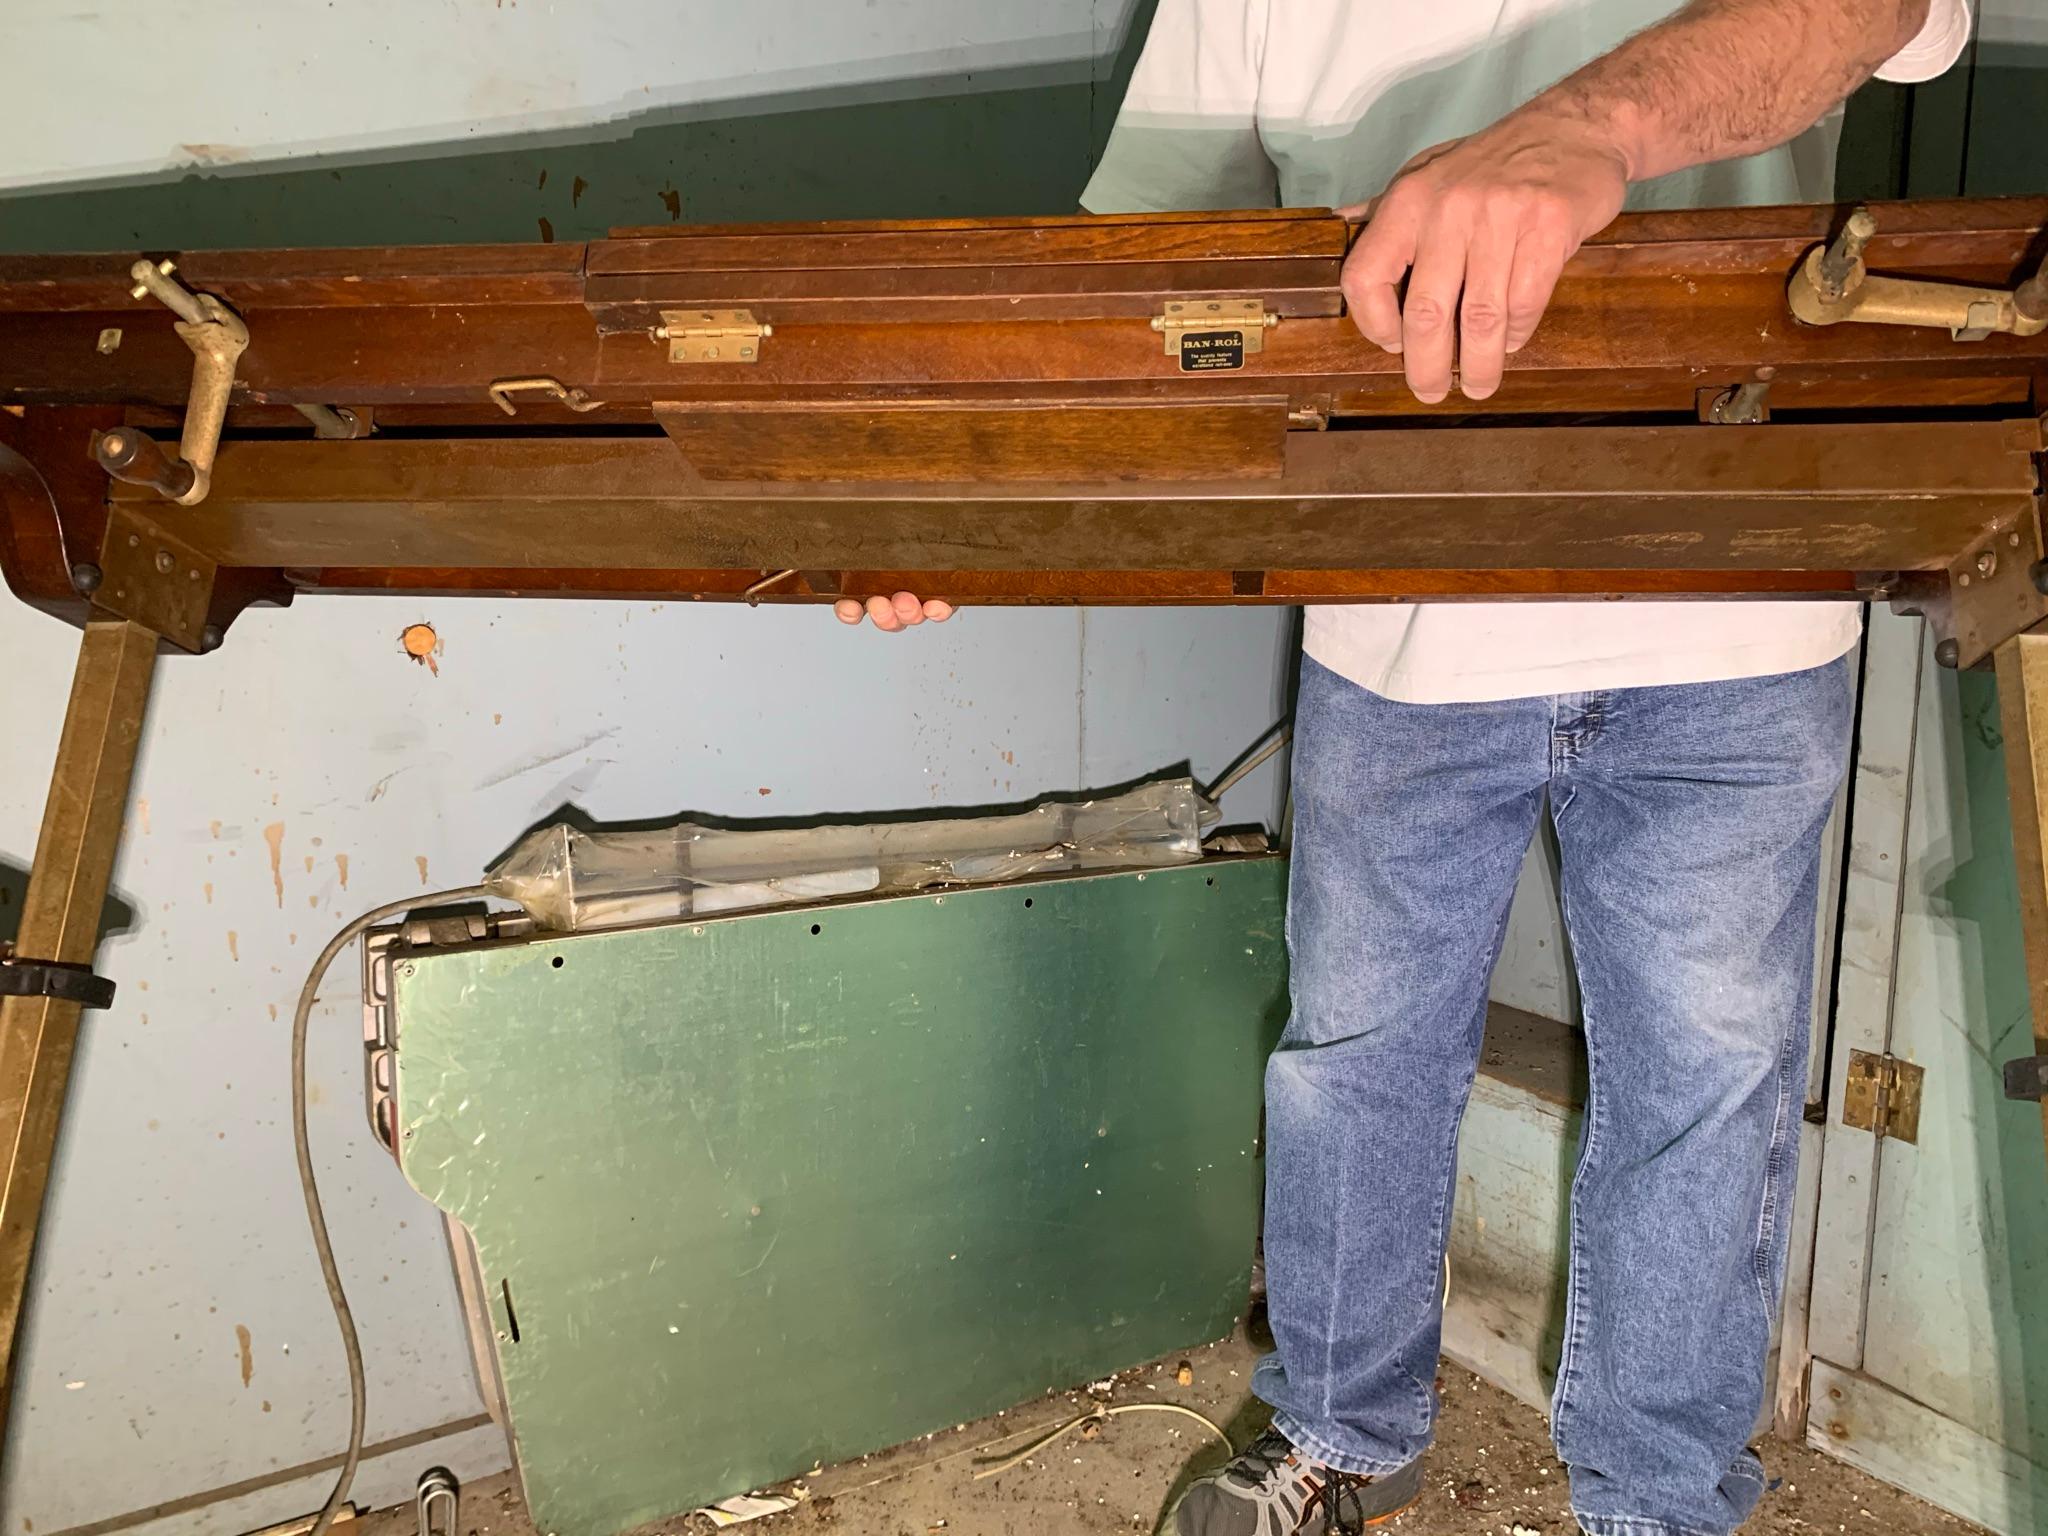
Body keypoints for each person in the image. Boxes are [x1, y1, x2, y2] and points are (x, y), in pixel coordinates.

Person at [843, 1, 1973, 1532]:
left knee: (1708, 1088)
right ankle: (1342, 1437)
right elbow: (1138, 288)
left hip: (1732, 612)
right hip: (1398, 630)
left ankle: (1655, 1500)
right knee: (1356, 1065)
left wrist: (1589, 131)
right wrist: (965, 511)